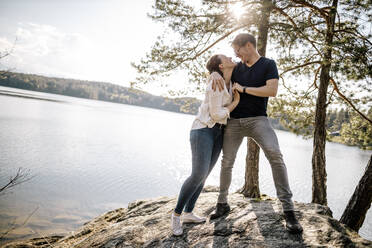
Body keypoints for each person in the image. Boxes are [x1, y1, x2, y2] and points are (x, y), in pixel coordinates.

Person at [209, 33, 303, 234]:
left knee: (275, 155)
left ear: (249, 45)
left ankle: (288, 210)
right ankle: (222, 202)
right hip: (234, 122)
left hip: (258, 120)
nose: (236, 54)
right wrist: (214, 74)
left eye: (238, 50)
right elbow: (223, 85)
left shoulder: (268, 64)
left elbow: (271, 90)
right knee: (227, 161)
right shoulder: (237, 67)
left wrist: (244, 89)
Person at [171, 54, 240, 236]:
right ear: (220, 65)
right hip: (203, 130)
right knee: (198, 174)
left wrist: (212, 73)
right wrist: (235, 103)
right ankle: (176, 215)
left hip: (218, 133)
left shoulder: (229, 80)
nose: (232, 57)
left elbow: (247, 65)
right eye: (227, 57)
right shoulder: (215, 82)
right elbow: (217, 114)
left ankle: (188, 213)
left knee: (204, 175)